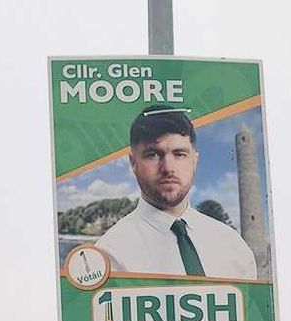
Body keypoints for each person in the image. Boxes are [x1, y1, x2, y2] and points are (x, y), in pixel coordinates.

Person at [95, 105, 257, 280]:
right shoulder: (109, 255)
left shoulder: (234, 247)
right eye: (153, 155)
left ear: (194, 161)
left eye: (179, 154)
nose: (168, 168)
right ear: (133, 162)